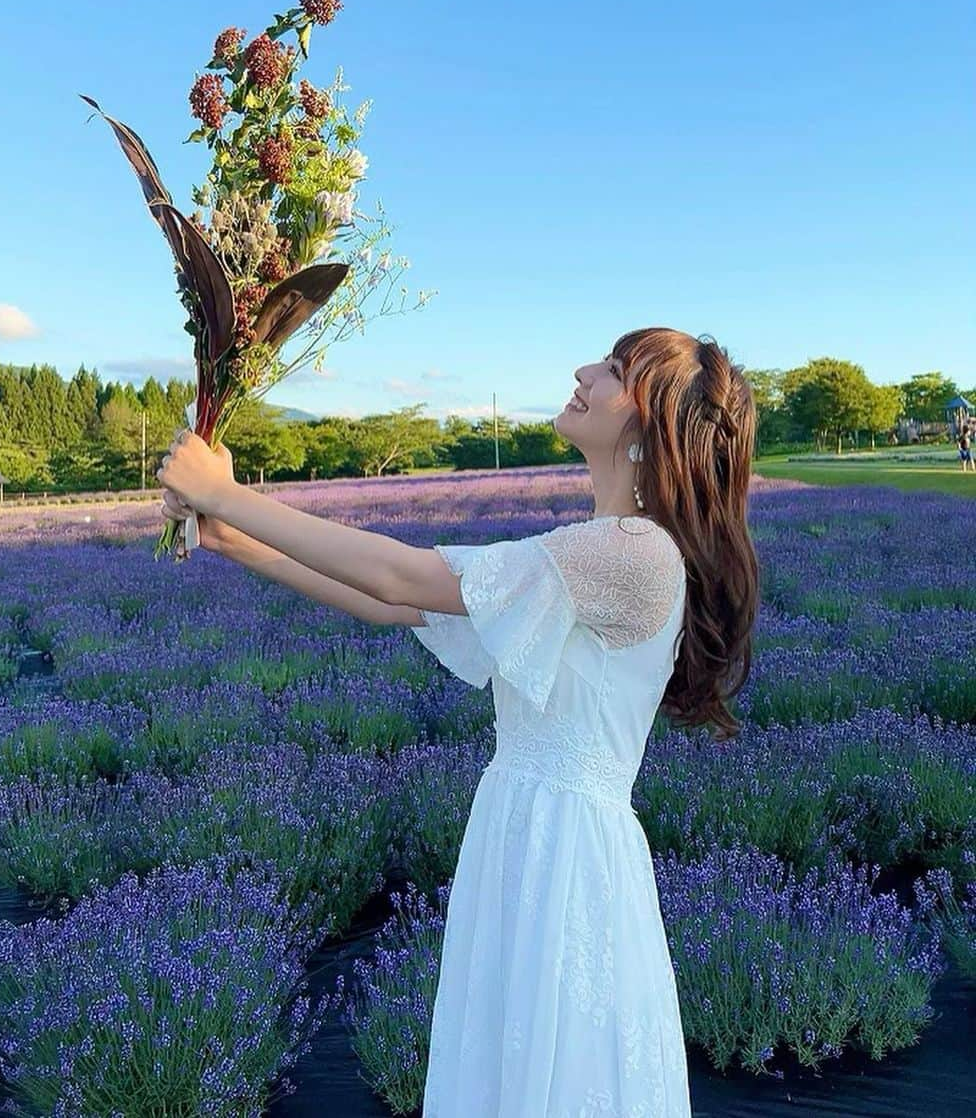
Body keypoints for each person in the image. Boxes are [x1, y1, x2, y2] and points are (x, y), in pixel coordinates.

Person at [157, 327, 760, 1118]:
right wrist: (229, 537)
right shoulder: (591, 551)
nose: (582, 370)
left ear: (650, 426)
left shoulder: (636, 555)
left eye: (612, 371)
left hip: (566, 859)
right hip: (527, 838)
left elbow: (401, 571)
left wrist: (225, 493)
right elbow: (393, 603)